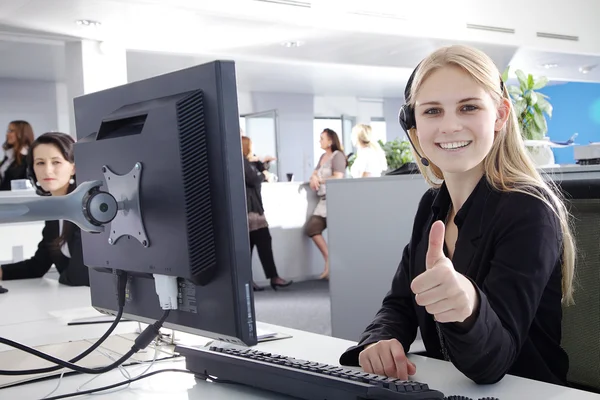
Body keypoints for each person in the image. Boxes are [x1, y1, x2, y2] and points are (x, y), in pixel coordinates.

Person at [339, 45, 575, 387]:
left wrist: (469, 307)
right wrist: (379, 340)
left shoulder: (529, 211)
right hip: (449, 388)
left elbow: (492, 365)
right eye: (432, 111)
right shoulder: (433, 205)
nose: (449, 126)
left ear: (500, 115)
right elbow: (400, 303)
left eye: (468, 107)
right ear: (413, 125)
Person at [0, 132, 90, 286]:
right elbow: (37, 266)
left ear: (74, 167)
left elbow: (79, 276)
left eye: (56, 162)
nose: (47, 171)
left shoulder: (87, 210)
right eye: (40, 163)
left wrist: (63, 279)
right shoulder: (54, 210)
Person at [242, 136, 292, 291]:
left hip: (254, 210)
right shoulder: (241, 161)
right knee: (250, 246)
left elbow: (256, 171)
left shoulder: (247, 161)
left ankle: (271, 277)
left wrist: (263, 165)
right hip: (250, 211)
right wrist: (264, 175)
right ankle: (254, 280)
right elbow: (253, 179)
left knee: (262, 243)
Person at [306, 129, 347, 280]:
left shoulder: (338, 156)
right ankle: (329, 261)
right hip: (323, 201)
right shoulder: (323, 156)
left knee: (336, 236)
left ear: (330, 141)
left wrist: (320, 180)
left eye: (322, 138)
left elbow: (338, 177)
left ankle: (332, 266)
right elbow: (314, 173)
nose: (319, 141)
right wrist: (313, 178)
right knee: (312, 228)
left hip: (335, 200)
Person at [0, 120, 34, 191]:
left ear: (22, 134)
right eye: (8, 130)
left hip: (17, 198)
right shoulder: (9, 155)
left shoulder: (29, 157)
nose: (7, 134)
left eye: (11, 131)